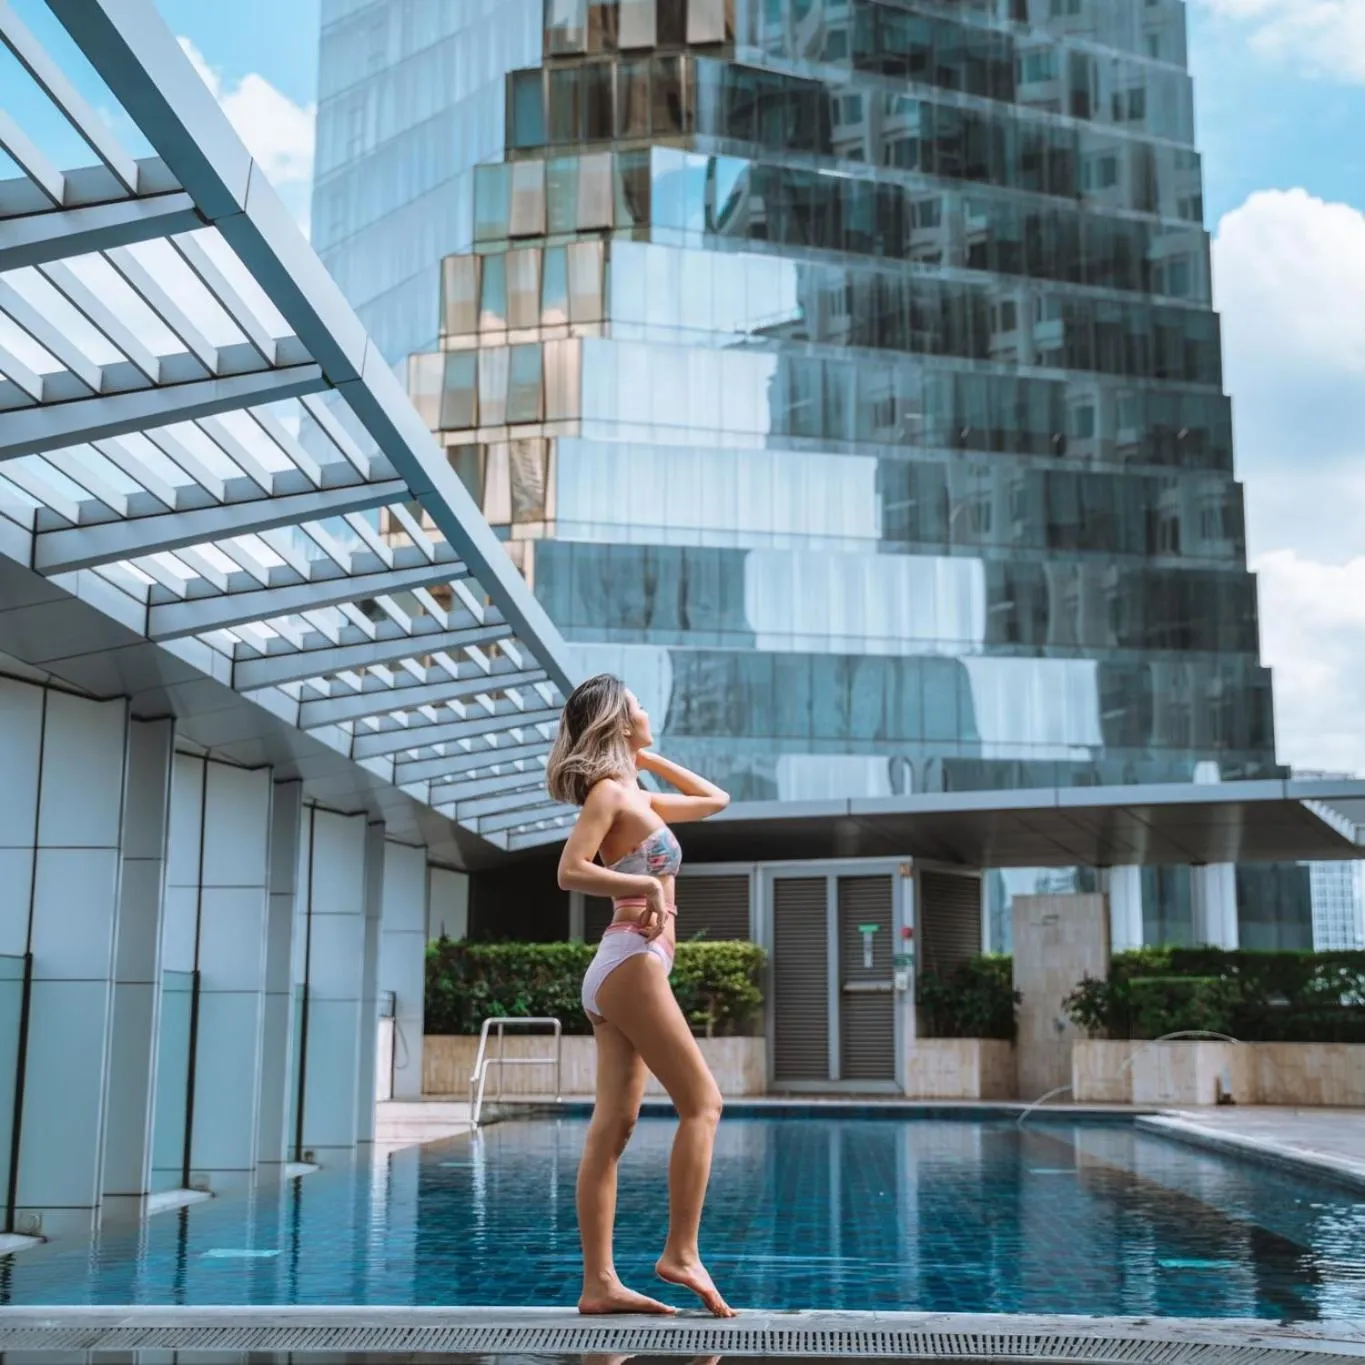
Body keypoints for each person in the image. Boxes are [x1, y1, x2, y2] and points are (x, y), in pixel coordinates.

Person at [548, 673, 735, 1318]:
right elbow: (570, 870)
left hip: (628, 964)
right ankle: (680, 1252)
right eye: (638, 708)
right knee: (703, 1103)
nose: (649, 711)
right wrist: (651, 890)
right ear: (619, 720)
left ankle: (598, 1283)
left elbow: (716, 799)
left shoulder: (634, 793)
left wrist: (645, 757)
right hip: (629, 959)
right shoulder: (607, 793)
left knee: (615, 1126)